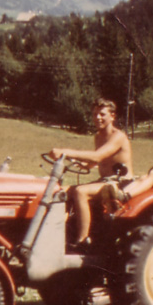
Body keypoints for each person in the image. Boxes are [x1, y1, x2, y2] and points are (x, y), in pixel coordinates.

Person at [49, 98, 133, 249]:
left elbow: (98, 156)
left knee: (81, 192)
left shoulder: (118, 136)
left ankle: (82, 241)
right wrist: (83, 164)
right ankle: (59, 233)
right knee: (62, 191)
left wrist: (65, 152)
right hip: (104, 180)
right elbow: (98, 160)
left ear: (112, 116)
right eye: (95, 114)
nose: (97, 118)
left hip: (120, 183)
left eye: (102, 114)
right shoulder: (98, 136)